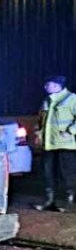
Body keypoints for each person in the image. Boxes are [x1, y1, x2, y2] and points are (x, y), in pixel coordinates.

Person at [34, 75, 76, 211]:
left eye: (48, 84)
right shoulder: (47, 100)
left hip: (65, 144)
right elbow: (41, 119)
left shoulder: (72, 98)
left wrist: (70, 131)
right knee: (48, 173)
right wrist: (37, 132)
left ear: (57, 86)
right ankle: (49, 201)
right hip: (48, 144)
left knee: (66, 174)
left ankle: (69, 202)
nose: (45, 87)